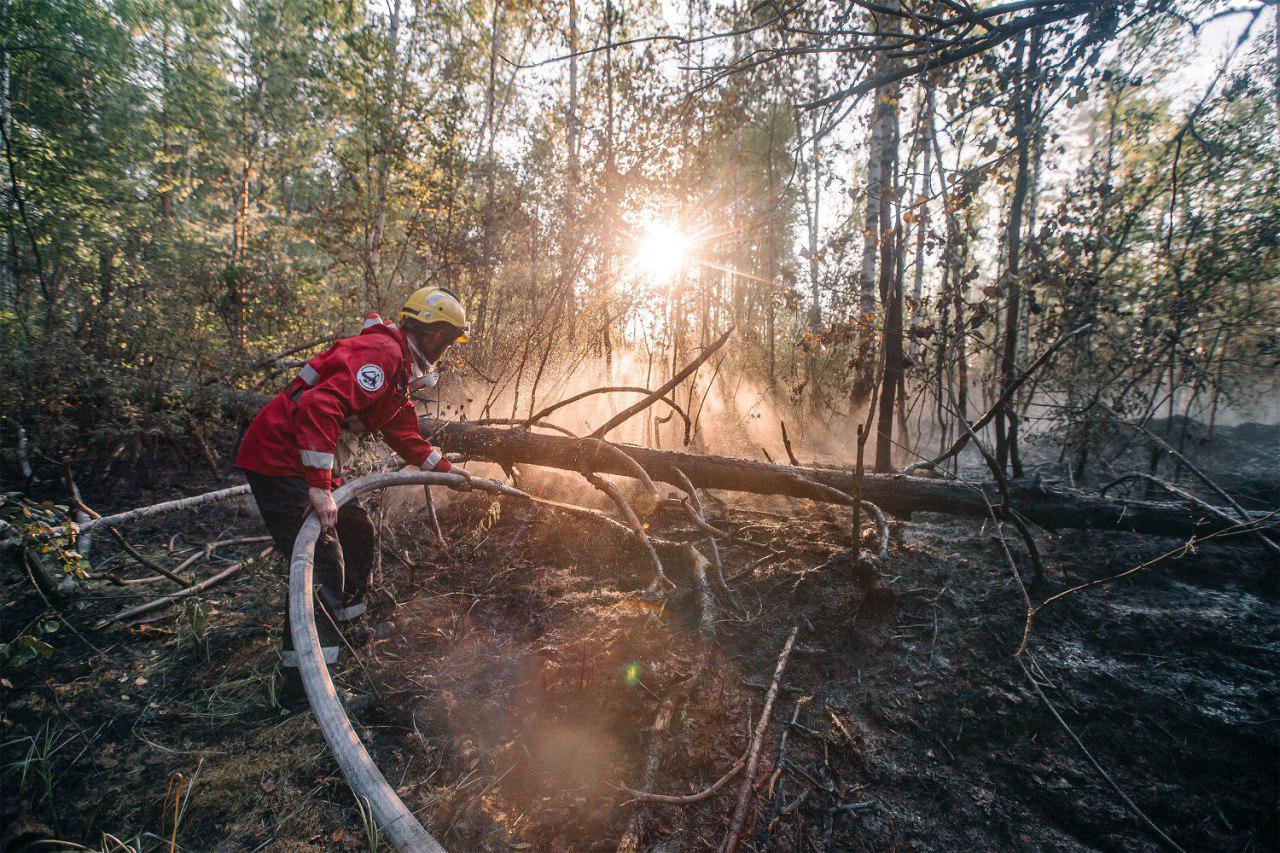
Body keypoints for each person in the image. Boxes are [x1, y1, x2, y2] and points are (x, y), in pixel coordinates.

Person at [236, 286, 471, 685]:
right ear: (434, 334)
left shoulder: (397, 371)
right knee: (321, 559)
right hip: (279, 459)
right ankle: (306, 679)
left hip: (303, 462)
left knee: (358, 532)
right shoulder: (382, 354)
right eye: (448, 341)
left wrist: (449, 471)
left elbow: (406, 436)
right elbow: (319, 406)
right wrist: (317, 486)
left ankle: (346, 630)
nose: (446, 350)